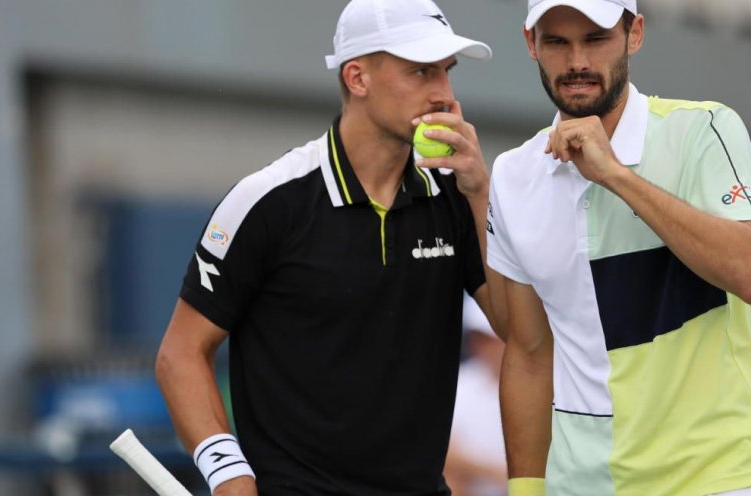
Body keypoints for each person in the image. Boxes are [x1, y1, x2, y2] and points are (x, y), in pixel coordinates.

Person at [155, 0, 501, 494]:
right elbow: (180, 354)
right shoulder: (268, 200)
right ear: (357, 78)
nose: (443, 93)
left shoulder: (457, 195)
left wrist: (480, 193)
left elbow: (516, 331)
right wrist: (228, 474)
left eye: (446, 72)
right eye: (421, 71)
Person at [486, 1, 751, 495]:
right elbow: (529, 354)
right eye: (557, 41)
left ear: (635, 34)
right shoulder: (513, 175)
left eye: (596, 38)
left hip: (714, 479)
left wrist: (616, 175)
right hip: (576, 486)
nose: (577, 61)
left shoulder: (704, 129)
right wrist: (527, 489)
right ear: (531, 44)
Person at [444, 295, 507, 496]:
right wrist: (498, 474)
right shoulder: (458, 384)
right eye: (481, 339)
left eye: (494, 340)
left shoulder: (550, 385)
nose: (487, 347)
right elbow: (444, 454)